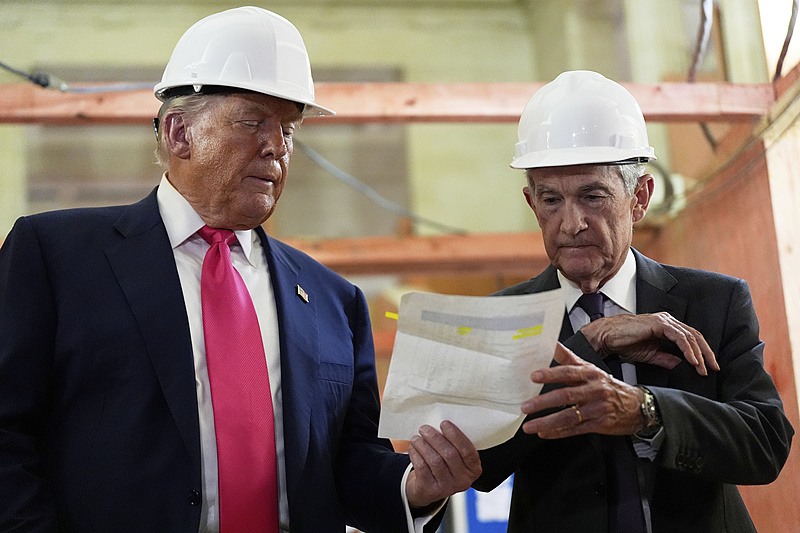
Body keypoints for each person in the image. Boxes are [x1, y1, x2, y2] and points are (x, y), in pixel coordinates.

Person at [0, 7, 481, 533]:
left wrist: (415, 488)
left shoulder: (333, 302)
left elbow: (349, 463)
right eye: (253, 122)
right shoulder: (56, 257)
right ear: (180, 133)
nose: (277, 146)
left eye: (289, 129)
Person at [473, 70, 793, 532]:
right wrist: (590, 342)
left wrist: (647, 410)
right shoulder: (501, 318)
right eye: (551, 200)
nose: (571, 223)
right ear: (531, 202)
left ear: (639, 197)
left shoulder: (714, 302)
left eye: (592, 196)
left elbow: (765, 444)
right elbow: (483, 464)